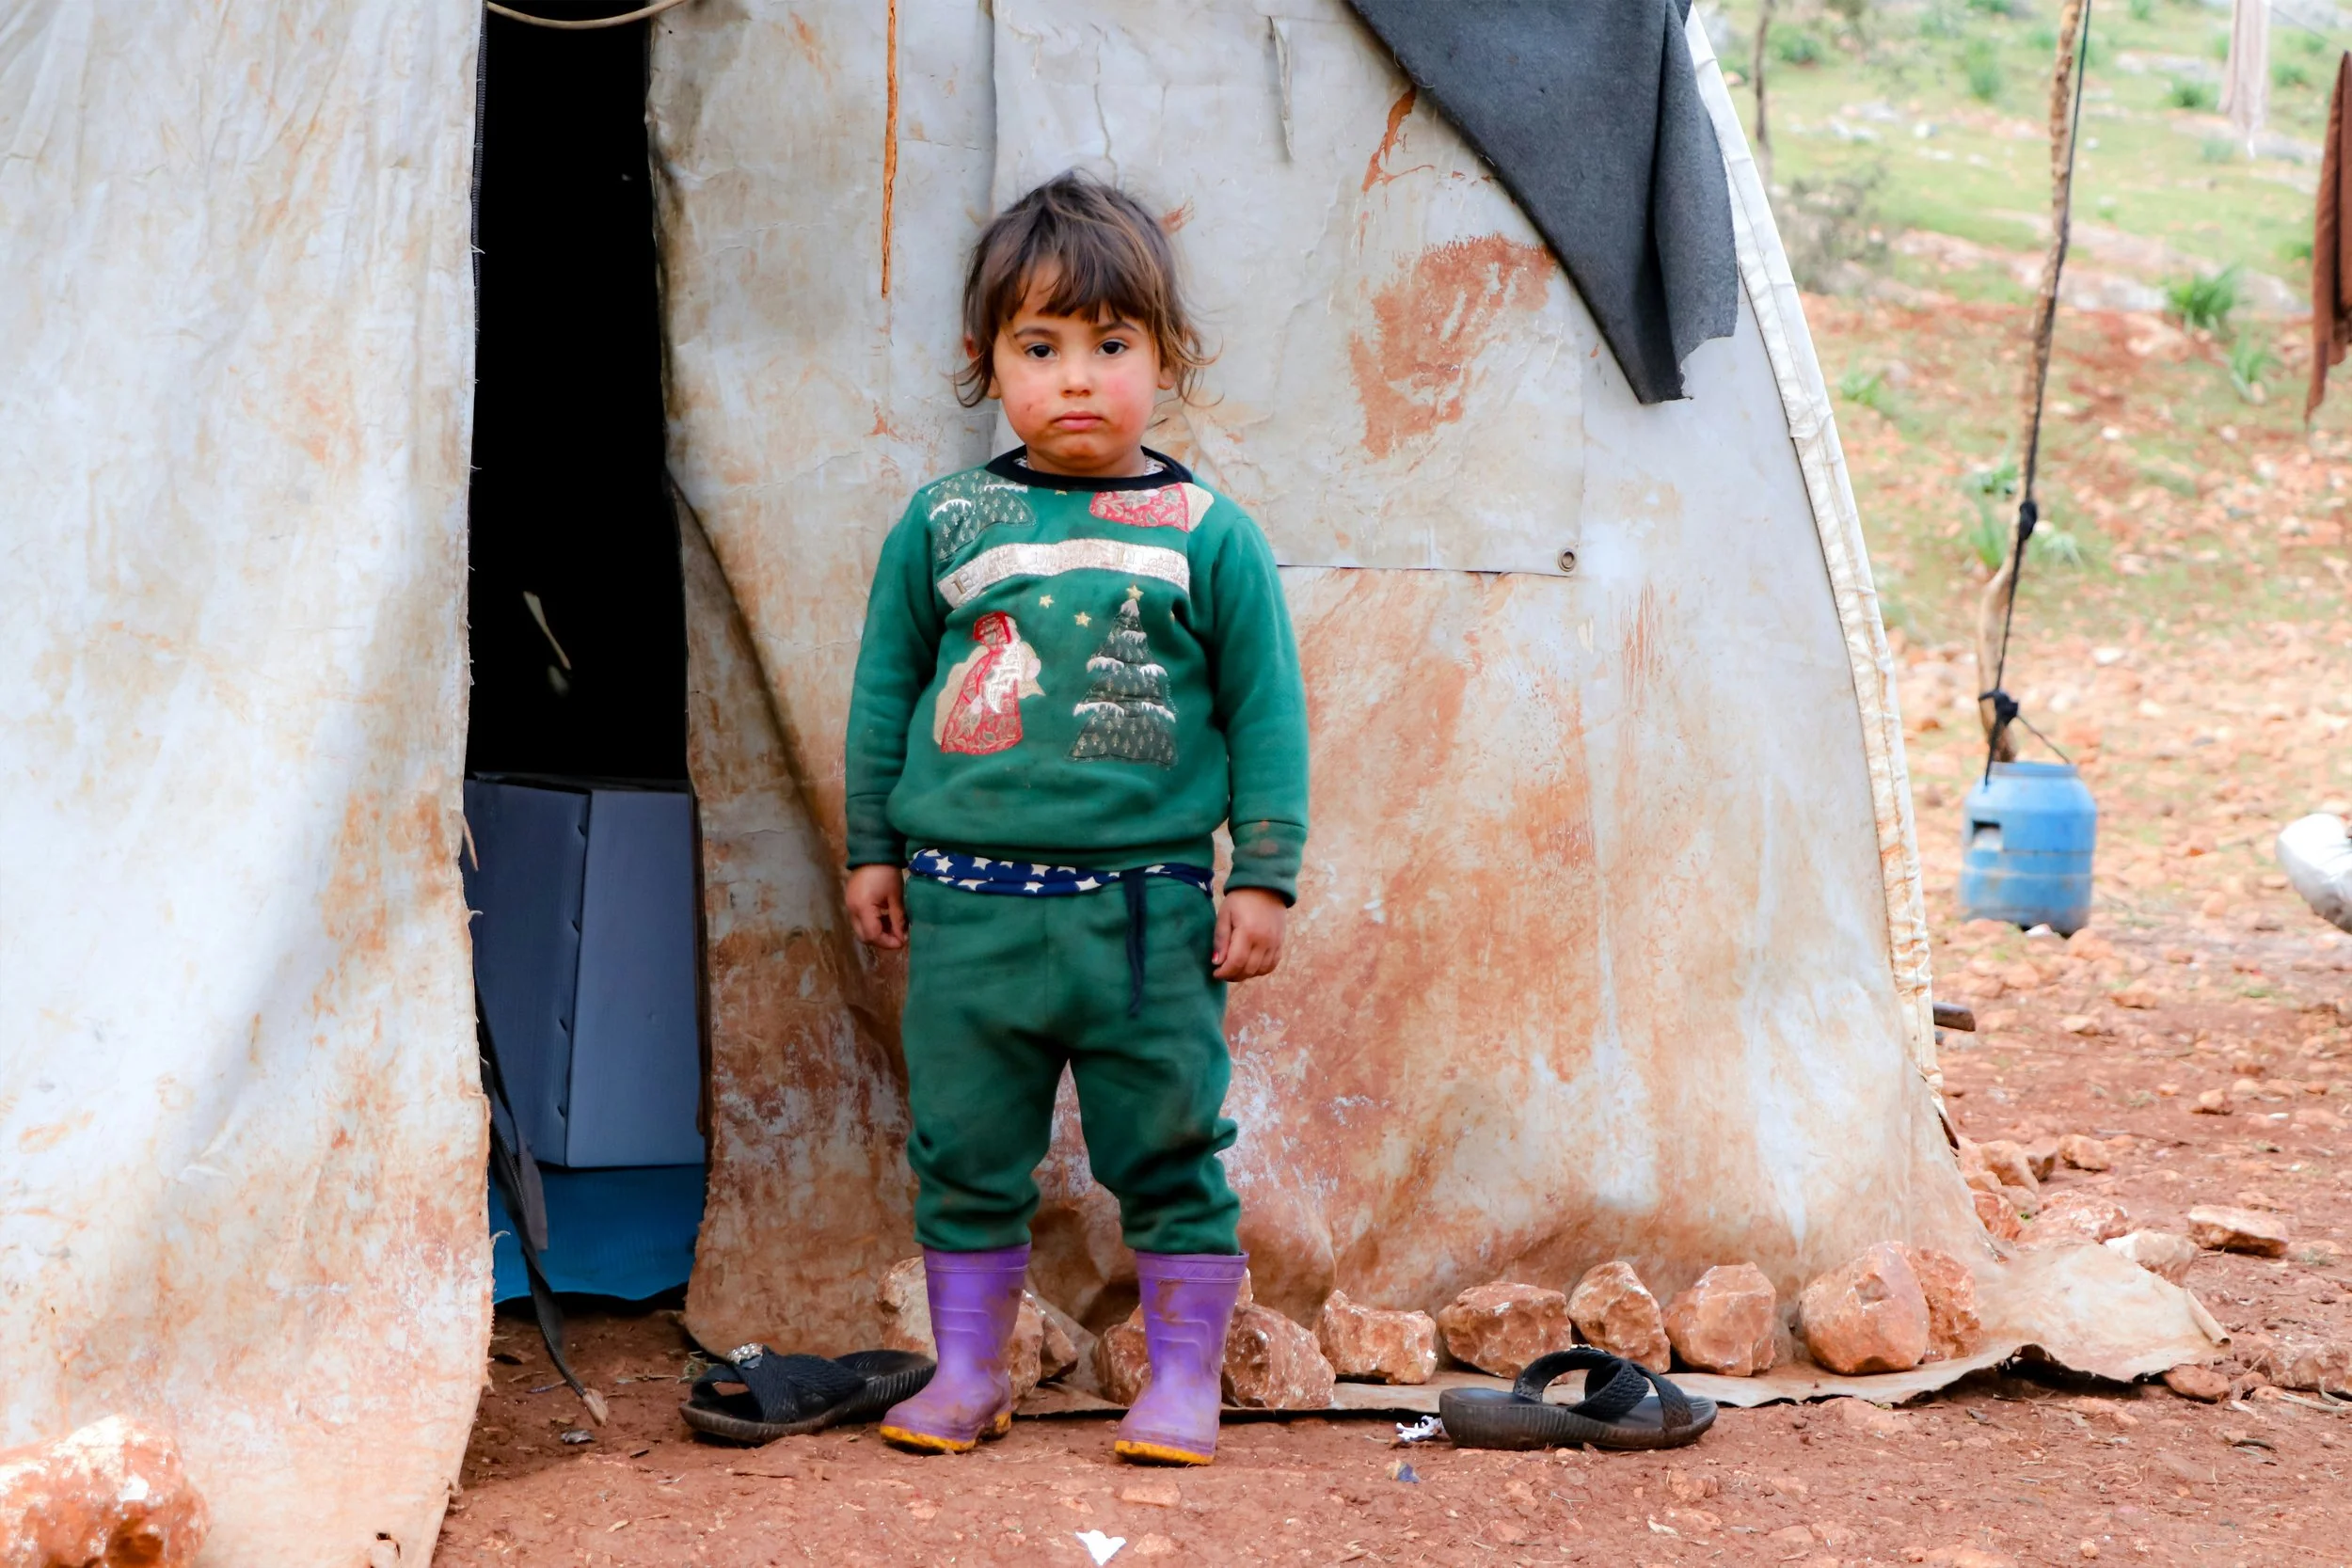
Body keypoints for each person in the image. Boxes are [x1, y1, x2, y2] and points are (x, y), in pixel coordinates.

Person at [841, 170, 1309, 1465]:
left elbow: (1268, 710)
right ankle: (972, 1371)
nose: (1078, 378)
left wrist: (1263, 873)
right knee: (966, 1145)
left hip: (1147, 913)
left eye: (1112, 345)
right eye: (1039, 348)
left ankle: (1181, 1381)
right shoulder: (945, 523)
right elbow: (887, 691)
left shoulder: (1209, 534)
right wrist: (871, 846)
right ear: (987, 361)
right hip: (965, 906)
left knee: (1166, 1139)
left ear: (1165, 357)